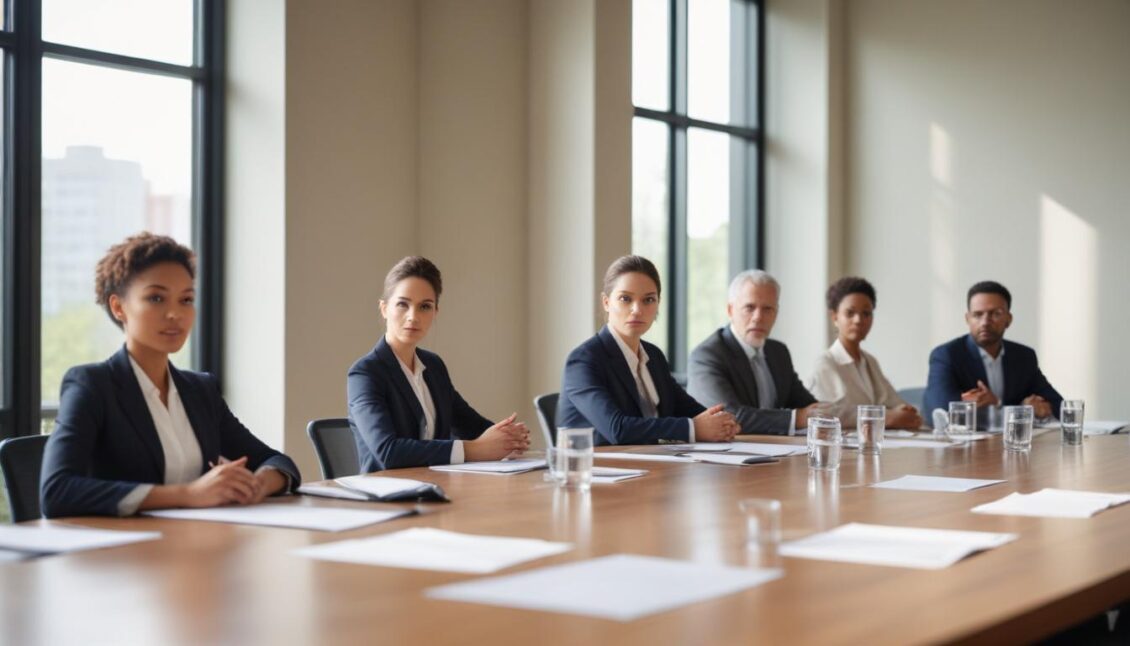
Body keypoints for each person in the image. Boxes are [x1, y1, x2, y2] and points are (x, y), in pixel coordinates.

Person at [40, 233, 300, 518]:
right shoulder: (92, 385)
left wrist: (257, 484)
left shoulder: (200, 390)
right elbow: (56, 491)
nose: (175, 313)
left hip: (196, 537)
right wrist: (188, 494)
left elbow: (278, 462)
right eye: (156, 298)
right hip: (126, 542)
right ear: (118, 307)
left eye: (186, 299)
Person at [348, 256, 530, 471]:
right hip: (389, 489)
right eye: (403, 304)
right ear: (384, 308)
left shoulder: (433, 366)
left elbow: (469, 423)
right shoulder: (366, 374)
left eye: (425, 306)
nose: (413, 316)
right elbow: (389, 452)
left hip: (438, 485)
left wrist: (507, 440)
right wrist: (474, 449)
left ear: (435, 312)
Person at [557, 255, 739, 445]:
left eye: (648, 300)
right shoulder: (583, 360)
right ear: (606, 302)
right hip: (598, 462)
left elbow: (688, 409)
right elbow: (617, 429)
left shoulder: (654, 356)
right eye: (625, 299)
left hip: (652, 459)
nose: (637, 309)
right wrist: (692, 429)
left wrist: (722, 422)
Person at [687, 269, 823, 435]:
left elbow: (807, 406)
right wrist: (797, 419)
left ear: (776, 313)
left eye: (767, 309)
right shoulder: (706, 355)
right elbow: (729, 416)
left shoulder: (778, 352)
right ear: (730, 310)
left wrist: (826, 413)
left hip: (775, 447)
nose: (758, 317)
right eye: (749, 308)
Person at [924, 281, 1063, 425]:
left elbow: (1060, 406)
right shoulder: (946, 355)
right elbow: (938, 413)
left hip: (1016, 439)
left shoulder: (1024, 356)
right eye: (977, 315)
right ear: (967, 319)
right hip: (971, 440)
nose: (985, 322)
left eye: (996, 314)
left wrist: (1042, 408)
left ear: (1008, 319)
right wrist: (1008, 408)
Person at [807, 277, 922, 428]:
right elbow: (826, 415)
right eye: (850, 313)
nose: (858, 320)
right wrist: (888, 417)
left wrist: (904, 410)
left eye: (866, 313)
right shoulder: (825, 363)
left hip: (877, 439)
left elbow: (895, 402)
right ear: (834, 317)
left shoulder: (870, 361)